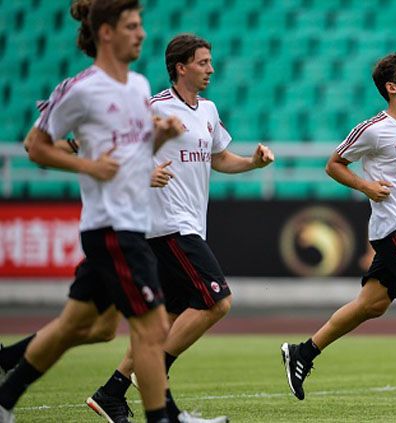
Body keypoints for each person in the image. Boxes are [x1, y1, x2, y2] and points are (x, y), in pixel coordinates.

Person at [0, 1, 184, 422]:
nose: (141, 34)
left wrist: (157, 138)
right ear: (106, 32)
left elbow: (133, 156)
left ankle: (4, 398)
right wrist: (87, 165)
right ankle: (163, 418)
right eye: (132, 26)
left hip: (131, 223)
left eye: (141, 26)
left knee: (80, 327)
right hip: (111, 228)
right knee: (152, 328)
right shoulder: (81, 89)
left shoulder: (138, 85)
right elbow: (36, 145)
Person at [83, 33, 274, 423]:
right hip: (165, 226)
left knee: (163, 321)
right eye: (203, 62)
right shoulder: (154, 108)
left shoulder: (207, 110)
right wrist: (145, 170)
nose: (211, 69)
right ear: (180, 67)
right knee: (217, 300)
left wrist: (253, 163)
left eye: (210, 61)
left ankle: (112, 392)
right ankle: (154, 373)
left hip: (188, 225)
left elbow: (219, 158)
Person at [281, 53, 396, 414]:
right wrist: (367, 186)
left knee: (373, 304)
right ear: (392, 87)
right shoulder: (374, 129)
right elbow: (333, 164)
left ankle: (302, 352)